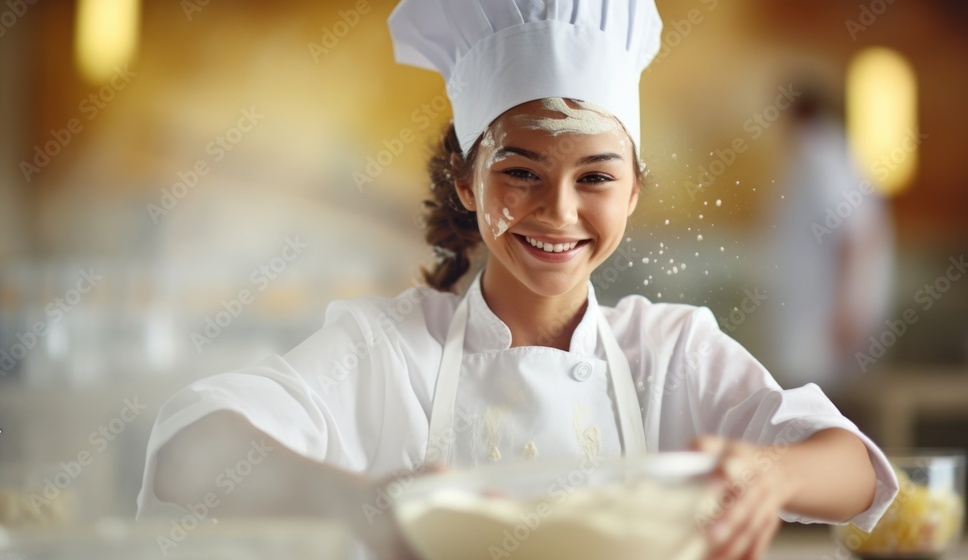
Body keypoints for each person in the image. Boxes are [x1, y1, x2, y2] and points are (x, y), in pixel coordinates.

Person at [138, 2, 899, 559]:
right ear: (468, 182)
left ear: (633, 191)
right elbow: (184, 450)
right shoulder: (383, 350)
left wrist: (770, 472)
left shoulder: (671, 352)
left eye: (594, 176)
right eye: (520, 171)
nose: (558, 211)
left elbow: (857, 470)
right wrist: (362, 507)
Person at [766, 85, 894, 391]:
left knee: (819, 404)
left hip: (823, 318)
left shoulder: (823, 158)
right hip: (817, 314)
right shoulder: (825, 155)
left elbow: (857, 237)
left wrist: (849, 309)